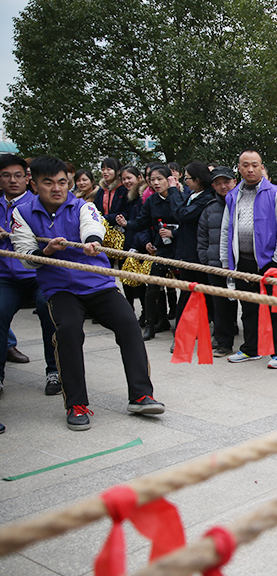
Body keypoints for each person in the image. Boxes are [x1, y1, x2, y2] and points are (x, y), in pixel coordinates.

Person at [12, 156, 164, 429]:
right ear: (34, 185)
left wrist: (92, 242)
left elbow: (93, 227)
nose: (57, 188)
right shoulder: (21, 213)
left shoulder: (84, 206)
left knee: (128, 324)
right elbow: (24, 253)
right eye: (48, 183)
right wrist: (45, 252)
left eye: (62, 182)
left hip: (98, 284)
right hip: (60, 289)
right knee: (69, 331)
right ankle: (77, 405)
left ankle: (141, 395)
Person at [221, 150, 277, 368]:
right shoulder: (233, 195)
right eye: (245, 165)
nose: (250, 169)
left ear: (262, 167)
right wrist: (227, 262)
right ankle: (251, 349)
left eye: (255, 165)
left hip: (269, 262)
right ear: (239, 168)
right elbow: (226, 229)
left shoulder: (274, 193)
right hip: (242, 261)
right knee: (248, 307)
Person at [0, 154, 60, 401]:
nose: (13, 181)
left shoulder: (42, 203)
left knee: (49, 310)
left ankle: (54, 371)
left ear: (28, 179)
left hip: (39, 274)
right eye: (6, 175)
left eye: (18, 175)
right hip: (6, 277)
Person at [118, 164, 181, 340]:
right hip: (161, 248)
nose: (155, 183)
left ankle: (182, 324)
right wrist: (126, 224)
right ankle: (151, 325)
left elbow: (186, 221)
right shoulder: (152, 200)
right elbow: (141, 223)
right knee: (152, 287)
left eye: (159, 179)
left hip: (180, 248)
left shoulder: (179, 196)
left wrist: (173, 233)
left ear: (169, 179)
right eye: (152, 180)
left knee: (184, 286)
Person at [197, 167, 239, 357]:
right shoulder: (209, 208)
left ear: (234, 181)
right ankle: (223, 342)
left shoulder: (243, 203)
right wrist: (206, 259)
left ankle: (252, 344)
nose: (223, 186)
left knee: (247, 304)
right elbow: (202, 237)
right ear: (213, 185)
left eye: (227, 182)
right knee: (220, 306)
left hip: (241, 264)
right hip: (215, 264)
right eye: (218, 183)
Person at [171, 161, 215, 330]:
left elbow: (182, 214)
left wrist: (174, 191)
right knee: (191, 290)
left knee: (194, 291)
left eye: (187, 178)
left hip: (198, 253)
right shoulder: (193, 195)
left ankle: (184, 327)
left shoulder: (206, 198)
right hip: (187, 250)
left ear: (198, 179)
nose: (186, 182)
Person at [118, 166, 148, 322]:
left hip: (141, 244)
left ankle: (147, 314)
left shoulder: (143, 196)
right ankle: (129, 313)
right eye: (123, 179)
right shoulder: (128, 196)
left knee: (141, 284)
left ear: (139, 177)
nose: (126, 181)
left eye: (129, 178)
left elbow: (141, 223)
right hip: (128, 242)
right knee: (127, 280)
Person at [94, 158, 129, 228]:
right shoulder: (101, 190)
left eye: (108, 169)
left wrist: (107, 218)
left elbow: (127, 212)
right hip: (101, 227)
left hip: (120, 229)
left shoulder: (123, 189)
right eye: (103, 169)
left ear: (118, 171)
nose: (105, 172)